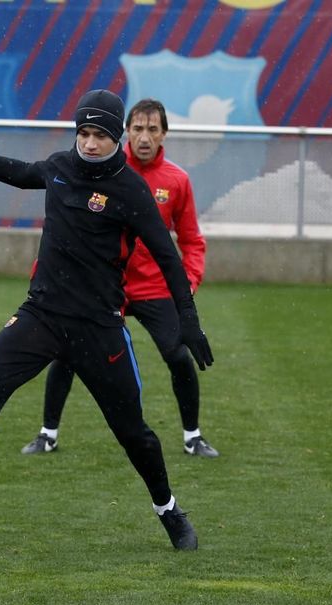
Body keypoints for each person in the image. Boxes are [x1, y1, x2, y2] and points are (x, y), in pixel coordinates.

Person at [0, 89, 213, 551]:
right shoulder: (60, 167)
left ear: (115, 137)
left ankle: (169, 511)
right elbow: (12, 171)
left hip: (99, 326)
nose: (88, 143)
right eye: (83, 133)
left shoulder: (131, 191)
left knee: (134, 434)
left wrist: (187, 319)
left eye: (99, 135)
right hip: (41, 316)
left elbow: (168, 257)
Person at [20, 98, 219, 459]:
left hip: (154, 288)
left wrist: (187, 284)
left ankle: (193, 435)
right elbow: (64, 230)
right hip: (98, 288)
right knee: (65, 355)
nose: (144, 137)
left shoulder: (176, 180)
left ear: (164, 135)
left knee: (177, 355)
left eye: (152, 129)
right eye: (138, 128)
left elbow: (191, 240)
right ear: (125, 131)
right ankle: (48, 432)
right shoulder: (99, 167)